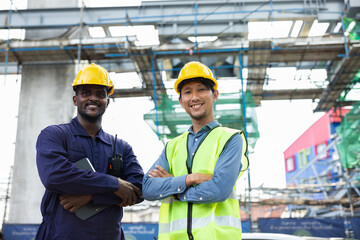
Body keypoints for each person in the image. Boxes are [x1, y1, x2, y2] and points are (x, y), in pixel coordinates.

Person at [35, 63, 144, 240]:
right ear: (75, 100)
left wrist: (92, 197)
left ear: (107, 102)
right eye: (86, 93)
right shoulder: (55, 135)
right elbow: (54, 176)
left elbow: (139, 189)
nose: (93, 98)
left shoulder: (121, 147)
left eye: (100, 94)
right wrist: (115, 184)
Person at [143, 61, 249, 240]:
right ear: (181, 101)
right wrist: (190, 179)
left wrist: (175, 190)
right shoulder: (172, 146)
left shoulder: (231, 139)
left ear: (214, 94)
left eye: (201, 89)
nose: (194, 97)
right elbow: (148, 188)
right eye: (187, 92)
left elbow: (218, 190)